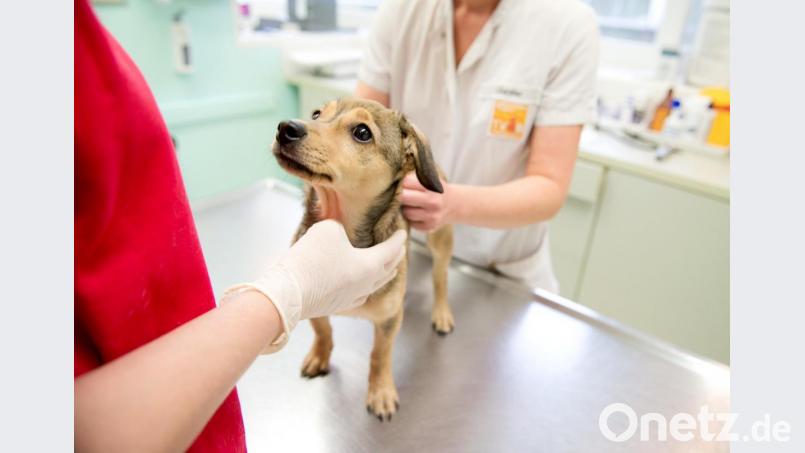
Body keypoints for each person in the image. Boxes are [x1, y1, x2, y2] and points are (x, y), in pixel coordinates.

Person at [73, 1, 406, 451]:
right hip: (160, 396)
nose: (305, 127)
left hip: (184, 377)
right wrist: (287, 293)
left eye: (357, 132)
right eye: (316, 116)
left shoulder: (78, 31)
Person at [356, 0, 599, 292]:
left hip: (501, 270)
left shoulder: (567, 24)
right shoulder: (402, 9)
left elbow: (549, 186)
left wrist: (451, 203)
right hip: (404, 253)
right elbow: (358, 133)